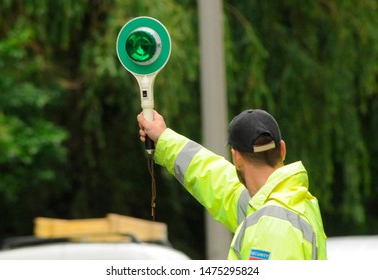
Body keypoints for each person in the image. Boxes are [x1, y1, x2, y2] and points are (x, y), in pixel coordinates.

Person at [137, 109, 327, 260]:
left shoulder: (273, 223)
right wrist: (163, 138)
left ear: (236, 157)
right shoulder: (281, 202)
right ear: (282, 149)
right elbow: (216, 178)